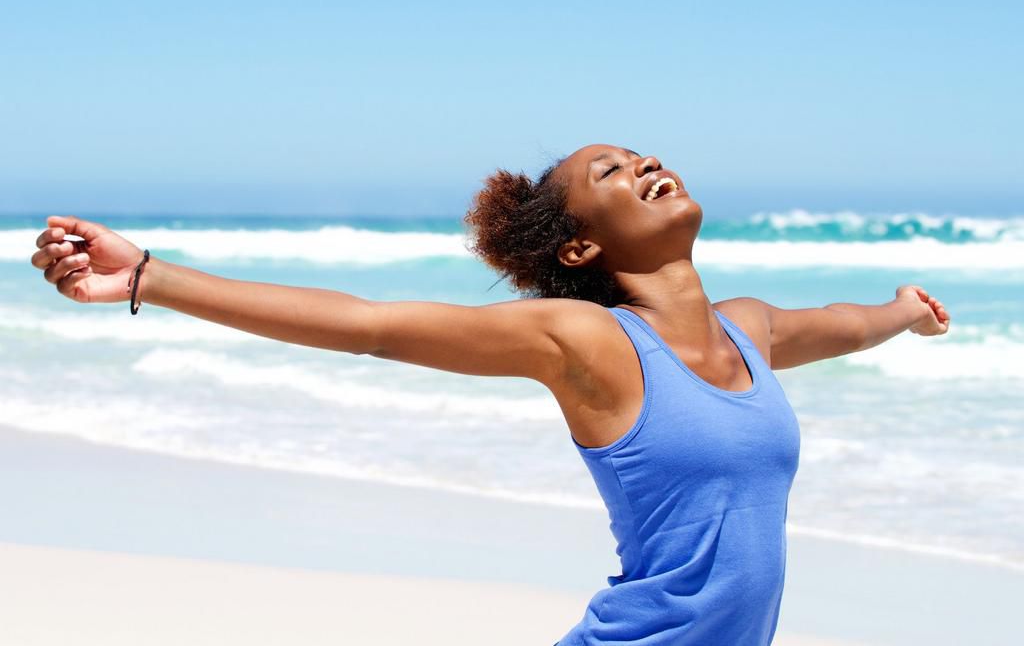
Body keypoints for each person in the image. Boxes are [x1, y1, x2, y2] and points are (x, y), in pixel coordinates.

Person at [31, 144, 951, 645]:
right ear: (583, 249)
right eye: (611, 174)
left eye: (636, 155)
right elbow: (370, 323)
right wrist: (151, 274)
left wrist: (903, 310)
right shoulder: (588, 339)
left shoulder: (750, 329)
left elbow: (843, 321)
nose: (641, 165)